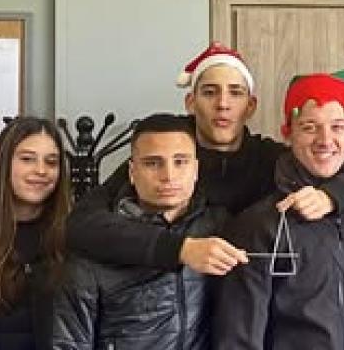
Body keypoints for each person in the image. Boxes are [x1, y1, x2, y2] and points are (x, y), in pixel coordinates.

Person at [67, 42, 344, 279]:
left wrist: (335, 195)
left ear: (250, 106)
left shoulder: (270, 158)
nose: (223, 104)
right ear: (191, 102)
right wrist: (179, 248)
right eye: (210, 92)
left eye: (235, 93)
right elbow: (82, 224)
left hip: (246, 299)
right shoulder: (165, 156)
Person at [216, 74, 344, 350]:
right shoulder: (260, 225)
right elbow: (239, 338)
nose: (325, 140)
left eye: (337, 127)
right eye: (309, 127)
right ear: (288, 133)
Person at [54, 114, 223, 349]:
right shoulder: (96, 244)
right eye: (153, 163)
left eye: (180, 162)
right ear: (132, 172)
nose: (168, 176)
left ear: (196, 169)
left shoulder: (218, 227)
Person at [0, 117, 72, 349]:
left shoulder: (72, 233)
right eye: (27, 159)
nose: (41, 171)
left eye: (52, 162)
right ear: (4, 163)